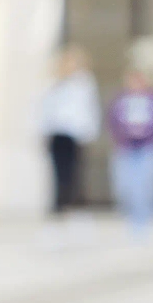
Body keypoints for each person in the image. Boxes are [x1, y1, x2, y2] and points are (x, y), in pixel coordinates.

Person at [107, 68, 153, 238]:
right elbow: (112, 122)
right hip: (126, 148)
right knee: (125, 185)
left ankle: (145, 223)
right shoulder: (120, 100)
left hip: (150, 148)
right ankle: (131, 219)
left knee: (147, 186)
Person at [39, 47, 100, 215]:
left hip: (75, 131)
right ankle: (59, 201)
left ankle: (74, 200)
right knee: (58, 168)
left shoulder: (84, 82)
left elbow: (89, 108)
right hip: (57, 131)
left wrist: (90, 131)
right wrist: (42, 130)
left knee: (75, 167)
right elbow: (44, 109)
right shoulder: (53, 82)